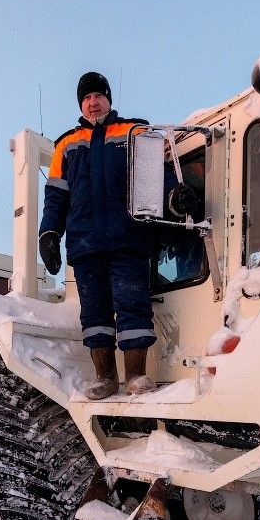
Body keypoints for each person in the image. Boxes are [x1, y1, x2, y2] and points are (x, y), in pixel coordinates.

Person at [39, 71, 196, 400]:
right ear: (81, 104)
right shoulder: (65, 145)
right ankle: (105, 377)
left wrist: (174, 196)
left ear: (109, 99)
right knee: (94, 313)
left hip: (128, 238)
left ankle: (136, 374)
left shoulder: (135, 130)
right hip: (85, 245)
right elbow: (55, 197)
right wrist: (49, 233)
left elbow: (158, 175)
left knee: (132, 305)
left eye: (98, 95)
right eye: (86, 98)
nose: (92, 102)